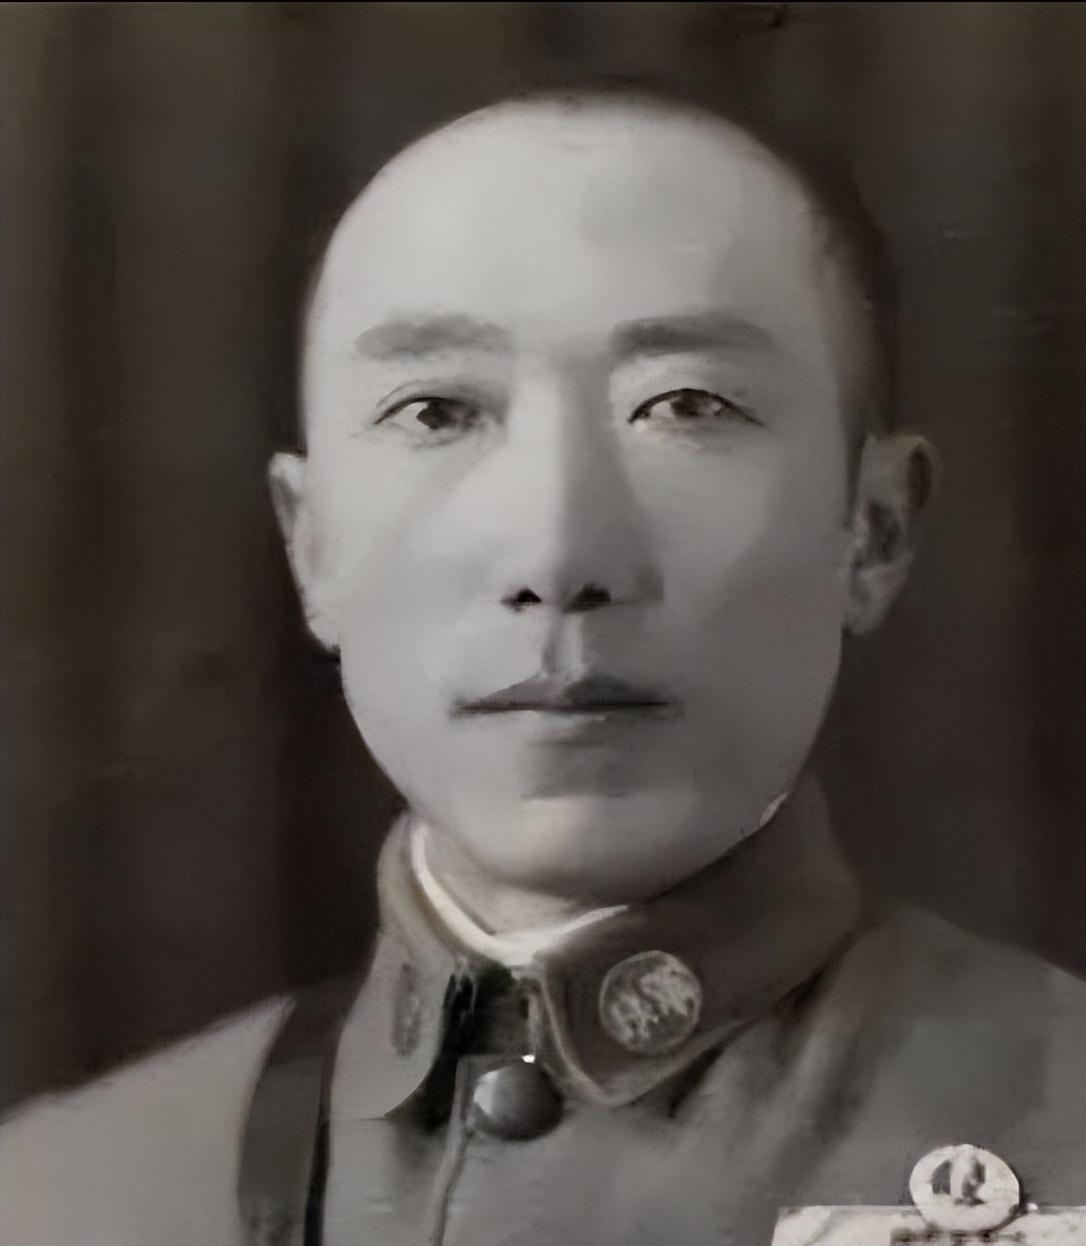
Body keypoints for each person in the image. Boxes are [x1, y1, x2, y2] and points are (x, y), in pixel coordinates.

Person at [1, 91, 1082, 1246]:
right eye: (435, 410)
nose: (560, 557)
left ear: (872, 531)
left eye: (686, 404)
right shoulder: (58, 1196)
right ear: (311, 546)